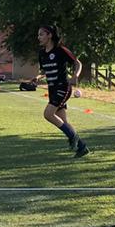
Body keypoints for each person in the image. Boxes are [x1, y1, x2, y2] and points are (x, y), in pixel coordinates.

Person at [37, 23, 89, 158]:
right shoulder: (42, 53)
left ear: (50, 35)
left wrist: (75, 76)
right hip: (52, 89)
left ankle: (73, 137)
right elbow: (45, 70)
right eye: (38, 35)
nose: (39, 37)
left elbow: (78, 63)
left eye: (41, 34)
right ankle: (82, 147)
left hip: (63, 87)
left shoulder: (61, 50)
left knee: (48, 114)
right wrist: (38, 77)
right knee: (63, 122)